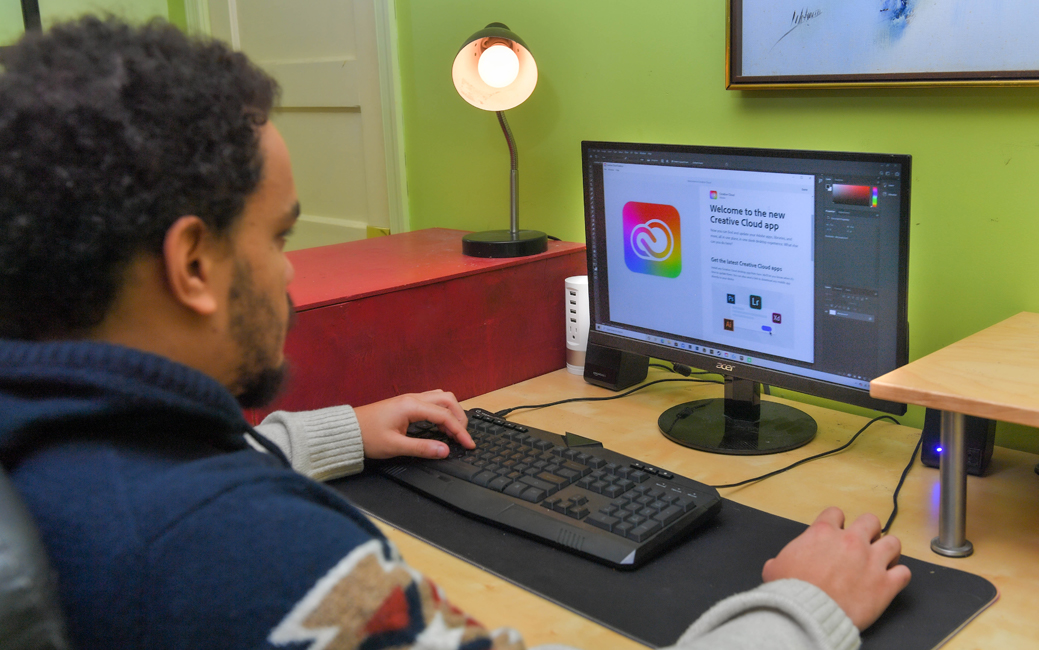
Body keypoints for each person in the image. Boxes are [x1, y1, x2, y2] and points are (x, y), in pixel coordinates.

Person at [0, 16, 910, 650]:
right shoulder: (254, 556)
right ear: (192, 264)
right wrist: (806, 605)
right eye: (276, 237)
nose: (286, 271)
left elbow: (141, 468)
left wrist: (340, 431)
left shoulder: (51, 443)